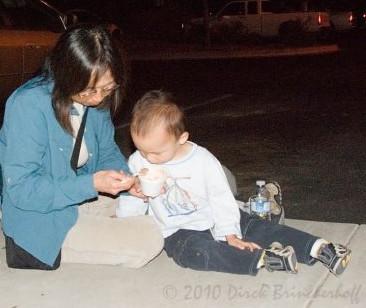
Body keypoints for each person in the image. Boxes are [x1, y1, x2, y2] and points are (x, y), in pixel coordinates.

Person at [116, 90, 351, 277]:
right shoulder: (139, 161)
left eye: (156, 152)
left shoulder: (202, 160)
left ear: (181, 138)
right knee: (193, 254)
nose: (148, 157)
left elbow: (221, 198)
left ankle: (320, 248)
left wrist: (229, 231)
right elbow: (132, 198)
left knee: (259, 227)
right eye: (141, 149)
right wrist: (128, 217)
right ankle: (264, 259)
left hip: (217, 216)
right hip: (178, 230)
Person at [0, 25, 163, 270]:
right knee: (148, 238)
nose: (98, 98)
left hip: (75, 195)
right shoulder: (28, 105)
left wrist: (129, 183)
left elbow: (106, 153)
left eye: (107, 88)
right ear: (66, 74)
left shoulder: (97, 102)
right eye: (89, 90)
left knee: (164, 203)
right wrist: (91, 184)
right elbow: (21, 189)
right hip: (36, 213)